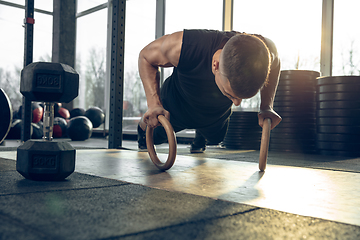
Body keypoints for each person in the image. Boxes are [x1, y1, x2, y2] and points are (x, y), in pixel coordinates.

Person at [137, 29, 282, 153]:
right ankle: (141, 127)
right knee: (154, 137)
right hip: (176, 105)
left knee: (216, 138)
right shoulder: (186, 46)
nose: (237, 103)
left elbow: (276, 64)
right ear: (215, 65)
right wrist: (154, 104)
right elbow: (146, 57)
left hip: (214, 114)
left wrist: (266, 106)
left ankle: (201, 134)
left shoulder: (262, 50)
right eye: (231, 95)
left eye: (241, 98)